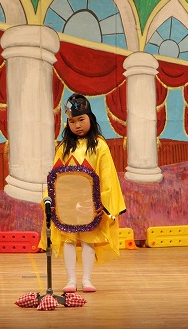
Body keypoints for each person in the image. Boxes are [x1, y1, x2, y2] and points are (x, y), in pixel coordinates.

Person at [40, 93, 126, 293]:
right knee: (69, 239)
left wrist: (102, 202)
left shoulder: (100, 145)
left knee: (89, 239)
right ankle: (71, 280)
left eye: (81, 120)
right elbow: (55, 175)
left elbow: (107, 176)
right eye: (72, 121)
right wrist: (49, 199)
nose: (77, 125)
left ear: (90, 118)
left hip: (91, 204)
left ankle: (87, 279)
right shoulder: (63, 147)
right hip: (67, 203)